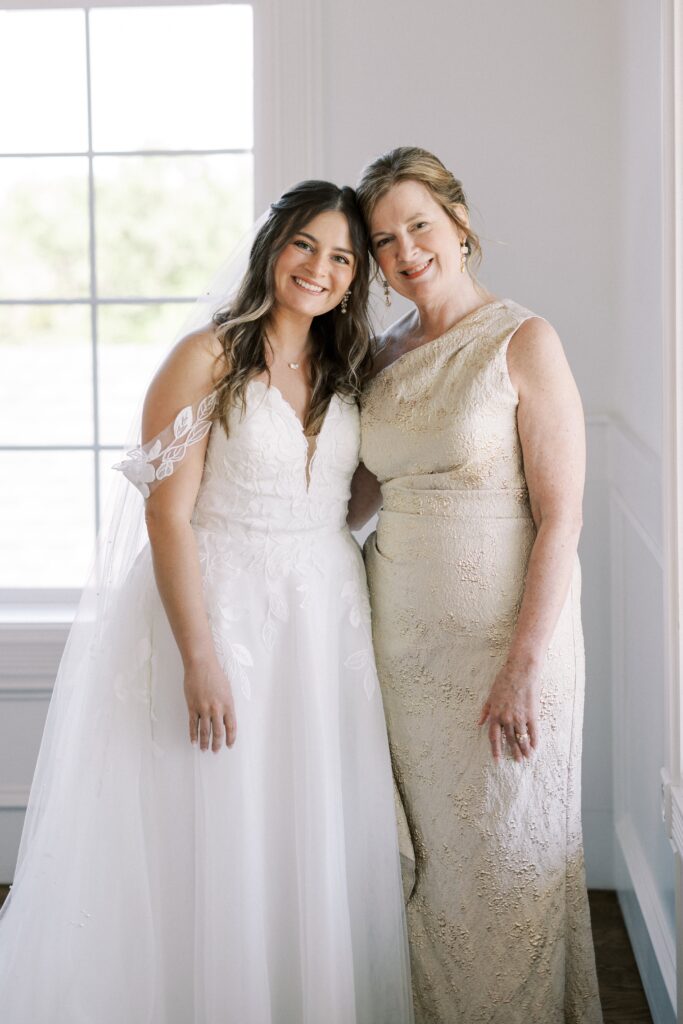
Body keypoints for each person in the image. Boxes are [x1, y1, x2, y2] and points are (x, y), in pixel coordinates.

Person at [0, 180, 413, 1024]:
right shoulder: (207, 355)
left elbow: (351, 496)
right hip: (219, 609)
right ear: (274, 246)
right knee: (219, 811)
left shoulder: (348, 368)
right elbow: (166, 514)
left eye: (340, 258)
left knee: (306, 818)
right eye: (306, 245)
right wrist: (200, 658)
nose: (320, 269)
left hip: (322, 616)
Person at [349, 147, 603, 1023]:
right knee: (432, 874)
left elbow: (561, 518)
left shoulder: (523, 339)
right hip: (404, 659)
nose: (404, 251)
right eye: (382, 240)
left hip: (507, 651)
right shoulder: (378, 358)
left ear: (459, 224)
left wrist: (522, 667)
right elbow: (349, 498)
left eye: (419, 225)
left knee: (506, 869)